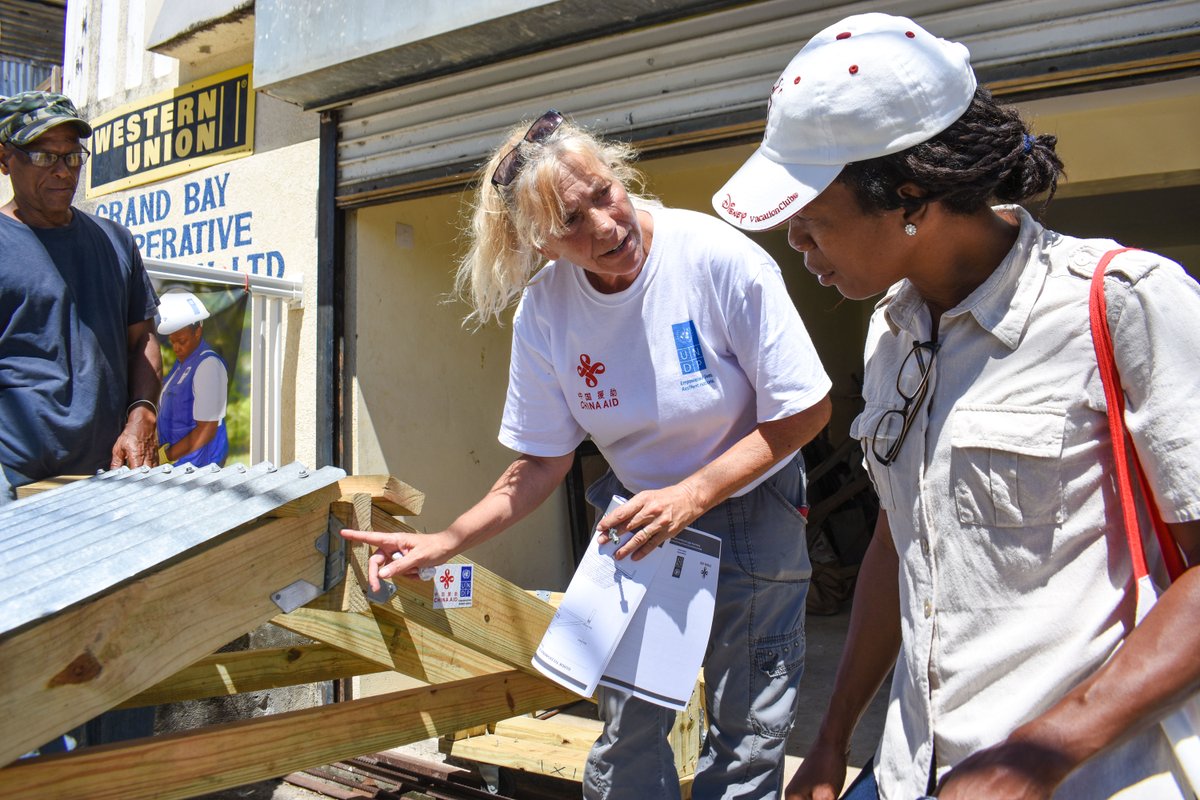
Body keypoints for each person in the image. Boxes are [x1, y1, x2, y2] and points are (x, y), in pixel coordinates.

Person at [713, 12, 1200, 800]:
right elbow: (899, 544)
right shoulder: (891, 335)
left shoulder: (1120, 305)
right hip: (914, 772)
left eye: (812, 219)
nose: (799, 246)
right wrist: (835, 736)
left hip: (1095, 775)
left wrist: (1041, 754)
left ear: (912, 196)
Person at [343, 110, 833, 799]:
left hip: (752, 502)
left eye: (605, 193)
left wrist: (691, 495)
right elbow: (542, 463)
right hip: (636, 522)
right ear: (539, 243)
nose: (605, 224)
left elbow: (806, 410)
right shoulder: (545, 311)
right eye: (572, 221)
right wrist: (447, 540)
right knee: (629, 724)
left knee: (747, 723)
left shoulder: (716, 258)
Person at [0, 91, 160, 506]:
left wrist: (142, 412)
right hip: (13, 481)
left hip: (108, 478)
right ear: (4, 159)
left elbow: (142, 338)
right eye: (43, 156)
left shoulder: (115, 241)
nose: (62, 172)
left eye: (72, 157)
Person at [156, 289, 230, 468]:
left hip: (198, 470)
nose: (176, 348)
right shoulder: (182, 364)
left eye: (181, 341)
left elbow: (206, 429)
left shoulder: (208, 366)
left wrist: (165, 457)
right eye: (172, 342)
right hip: (179, 468)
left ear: (198, 331)